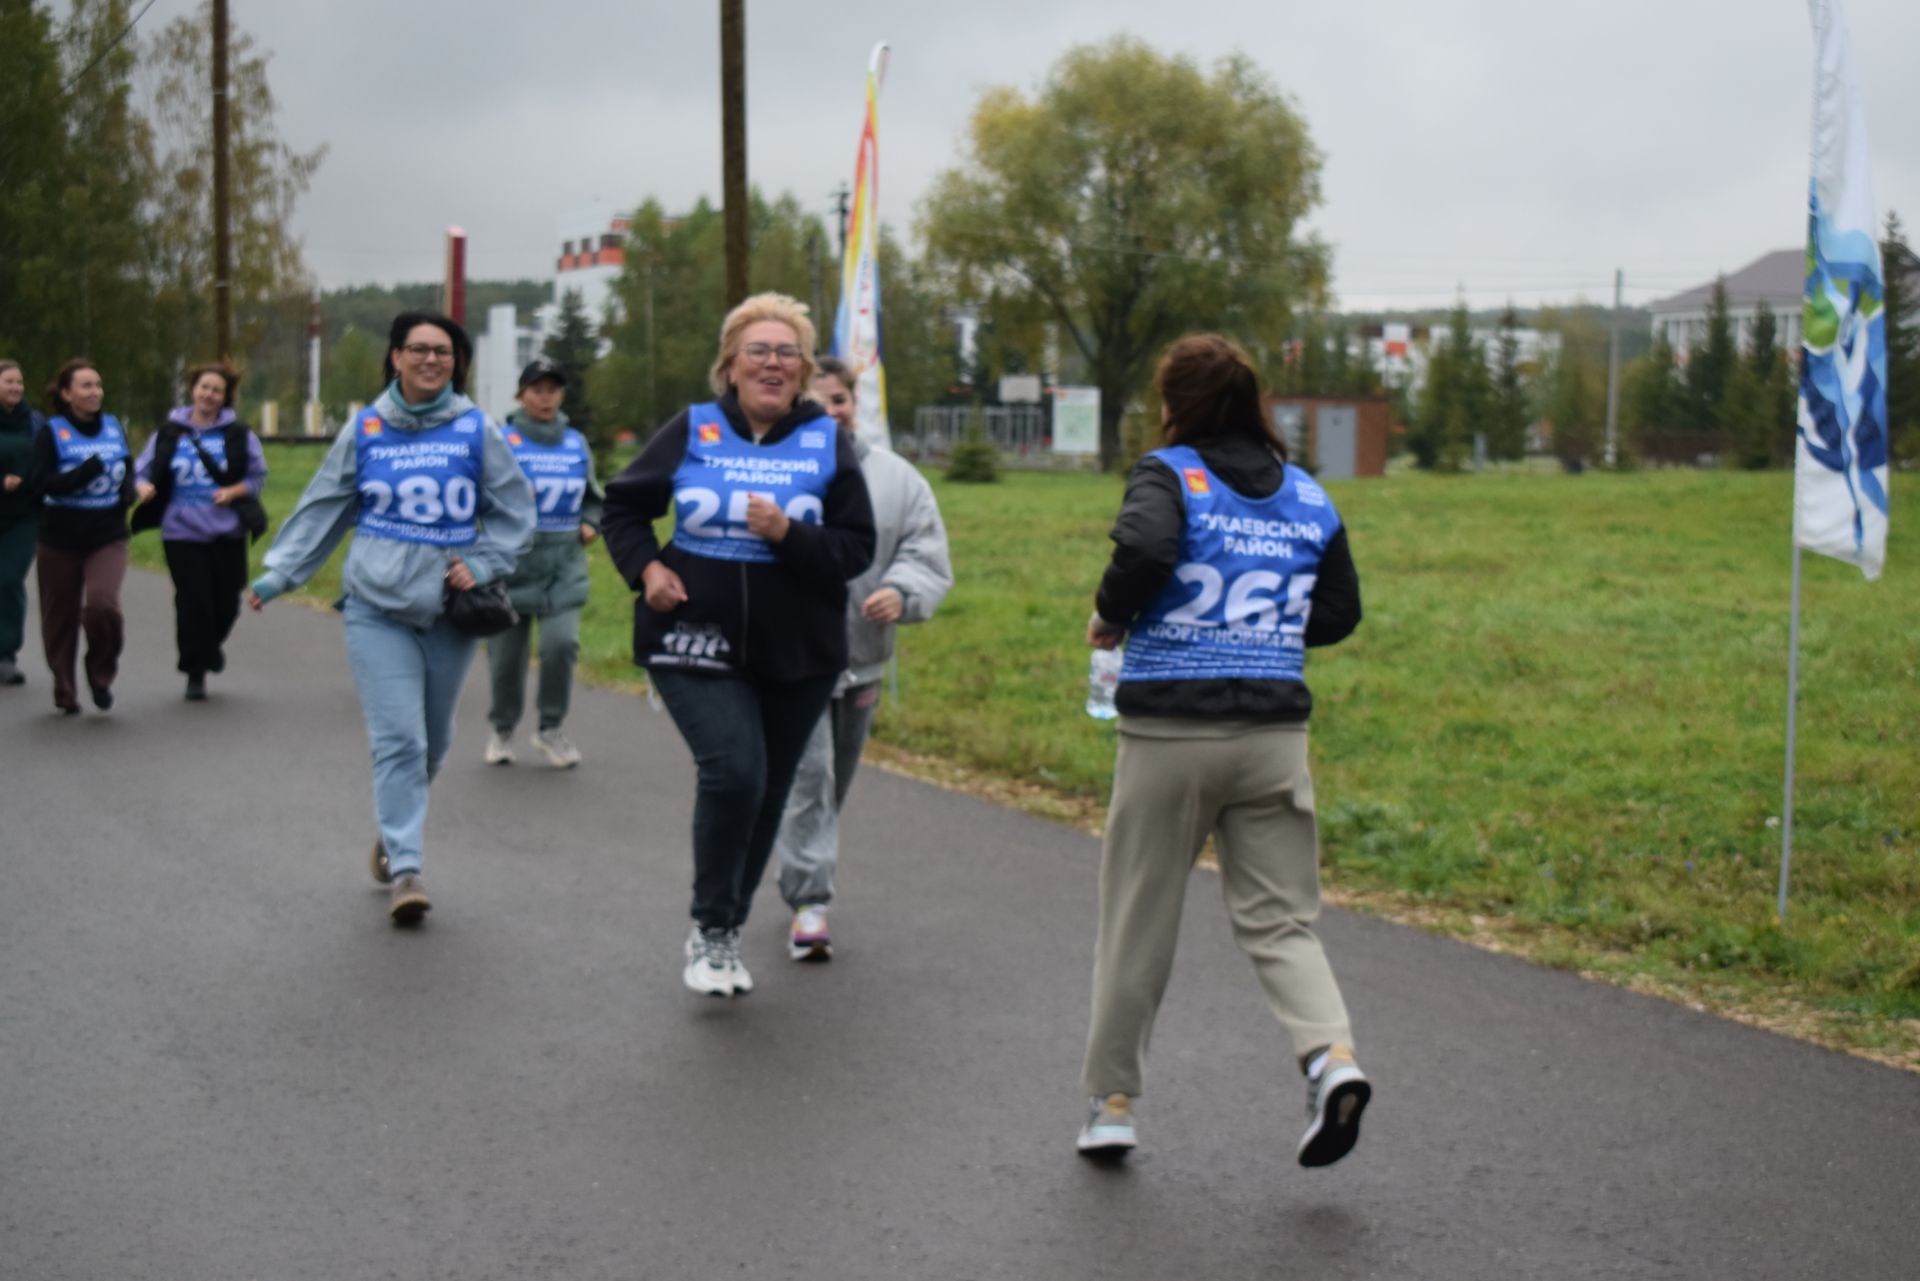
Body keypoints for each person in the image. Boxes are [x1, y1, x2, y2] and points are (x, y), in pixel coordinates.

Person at [1076, 334, 1370, 1167]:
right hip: (1275, 738)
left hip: (1171, 735)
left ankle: (1112, 1102)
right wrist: (1261, 627)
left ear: (1175, 405)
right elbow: (1341, 610)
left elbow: (1143, 550)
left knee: (1139, 917)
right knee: (1283, 920)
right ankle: (1330, 1058)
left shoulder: (1170, 473)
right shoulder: (1310, 495)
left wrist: (1112, 613)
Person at [601, 293, 875, 998]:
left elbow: (854, 547)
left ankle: (723, 928)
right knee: (736, 772)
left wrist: (789, 534)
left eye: (789, 353)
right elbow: (624, 506)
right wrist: (647, 568)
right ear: (729, 364)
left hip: (801, 651)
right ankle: (712, 924)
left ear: (805, 369)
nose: (774, 363)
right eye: (759, 350)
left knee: (768, 789)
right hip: (694, 636)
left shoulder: (825, 441)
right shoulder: (693, 429)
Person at [247, 312, 535, 925]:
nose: (432, 360)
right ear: (396, 357)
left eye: (444, 351)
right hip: (376, 605)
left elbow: (515, 512)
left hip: (449, 611)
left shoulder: (476, 429)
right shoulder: (368, 427)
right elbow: (327, 502)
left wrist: (482, 564)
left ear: (456, 362)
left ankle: (392, 826)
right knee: (399, 740)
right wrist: (280, 574)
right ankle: (407, 867)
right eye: (419, 350)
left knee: (432, 743)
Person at [770, 356, 952, 961]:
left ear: (855, 404)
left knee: (833, 782)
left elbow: (926, 551)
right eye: (818, 401)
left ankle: (800, 858)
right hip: (795, 659)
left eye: (841, 399)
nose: (832, 411)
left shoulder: (898, 480)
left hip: (864, 658)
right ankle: (810, 901)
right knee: (812, 775)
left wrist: (901, 591)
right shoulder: (776, 469)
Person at [483, 357, 604, 768]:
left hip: (563, 564)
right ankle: (502, 729)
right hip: (512, 565)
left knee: (561, 645)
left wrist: (590, 523)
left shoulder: (575, 443)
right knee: (505, 661)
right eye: (537, 390)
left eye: (553, 389)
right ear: (521, 395)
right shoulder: (503, 440)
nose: (545, 398)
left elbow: (592, 498)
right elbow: (481, 494)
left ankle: (550, 729)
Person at [131, 362, 268, 700]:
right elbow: (140, 470)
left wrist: (232, 493)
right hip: (181, 532)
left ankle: (207, 649)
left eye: (216, 390)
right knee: (194, 601)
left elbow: (256, 477)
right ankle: (195, 671)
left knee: (226, 603)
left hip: (227, 531)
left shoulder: (238, 434)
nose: (209, 394)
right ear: (193, 390)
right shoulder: (170, 432)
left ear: (225, 397)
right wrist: (142, 487)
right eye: (204, 387)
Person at [33, 359, 135, 714]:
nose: (96, 392)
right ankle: (64, 688)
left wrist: (128, 493)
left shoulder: (112, 426)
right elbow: (41, 484)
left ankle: (101, 673)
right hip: (60, 537)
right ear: (66, 393)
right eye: (86, 386)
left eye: (98, 385)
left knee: (102, 605)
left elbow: (126, 466)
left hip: (106, 533)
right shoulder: (52, 431)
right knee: (59, 620)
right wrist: (84, 472)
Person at [0, 360, 43, 688]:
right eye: (8, 382)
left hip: (23, 517)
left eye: (19, 382)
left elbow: (49, 463)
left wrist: (25, 479)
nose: (16, 388)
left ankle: (6, 655)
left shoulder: (35, 422)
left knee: (9, 579)